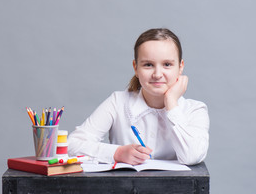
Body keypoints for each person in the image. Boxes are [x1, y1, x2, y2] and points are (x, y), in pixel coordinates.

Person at [68, 28, 209, 165]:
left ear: (180, 67)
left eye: (167, 64)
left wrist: (171, 103)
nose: (157, 74)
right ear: (135, 67)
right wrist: (117, 153)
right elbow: (71, 145)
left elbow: (192, 156)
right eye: (148, 65)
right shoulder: (117, 102)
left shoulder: (195, 110)